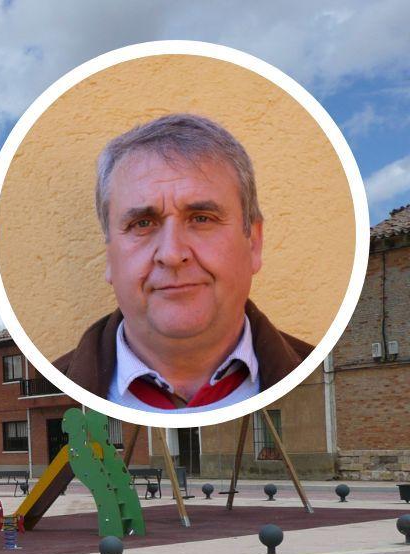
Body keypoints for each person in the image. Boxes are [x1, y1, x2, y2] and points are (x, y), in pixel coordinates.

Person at [53, 113, 312, 411]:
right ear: (110, 256)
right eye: (142, 223)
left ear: (253, 242)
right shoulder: (49, 385)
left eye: (202, 219)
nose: (172, 254)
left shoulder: (323, 379)